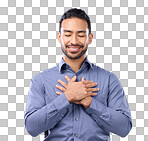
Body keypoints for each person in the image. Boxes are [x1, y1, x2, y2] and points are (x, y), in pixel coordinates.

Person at [24, 8, 132, 141]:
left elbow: (124, 128)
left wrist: (90, 103)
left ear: (90, 38)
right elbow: (32, 127)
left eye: (81, 35)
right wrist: (67, 97)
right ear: (59, 37)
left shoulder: (109, 79)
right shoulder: (41, 80)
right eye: (68, 34)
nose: (74, 41)